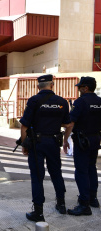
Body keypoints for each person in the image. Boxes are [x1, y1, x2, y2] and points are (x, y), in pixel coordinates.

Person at [19, 74, 71, 222]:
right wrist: (64, 137)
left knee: (37, 176)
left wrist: (24, 144)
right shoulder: (62, 102)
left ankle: (38, 212)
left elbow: (24, 126)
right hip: (54, 142)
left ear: (38, 87)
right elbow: (68, 124)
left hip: (37, 143)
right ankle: (61, 204)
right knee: (56, 173)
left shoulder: (34, 101)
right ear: (52, 85)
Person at [63, 76, 101, 216]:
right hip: (95, 139)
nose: (78, 90)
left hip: (82, 141)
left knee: (81, 171)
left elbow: (70, 123)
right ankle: (93, 198)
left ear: (86, 88)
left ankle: (84, 204)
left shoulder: (80, 102)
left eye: (80, 87)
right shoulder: (99, 101)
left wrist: (65, 139)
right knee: (92, 168)